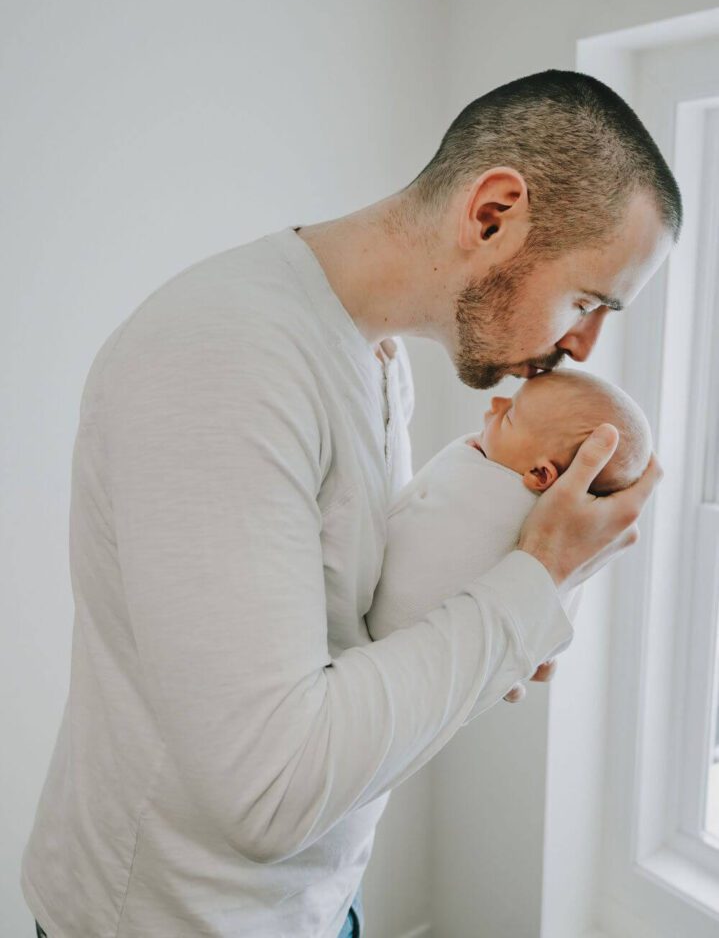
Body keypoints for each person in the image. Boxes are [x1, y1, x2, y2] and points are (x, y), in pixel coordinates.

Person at [20, 70, 680, 938]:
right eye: (588, 299)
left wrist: (494, 642)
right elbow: (267, 793)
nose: (582, 344)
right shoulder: (224, 355)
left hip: (311, 908)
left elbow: (345, 644)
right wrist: (534, 582)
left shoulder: (373, 359)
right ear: (493, 213)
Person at [365, 369, 651, 711]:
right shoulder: (567, 543)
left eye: (510, 415)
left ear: (541, 475)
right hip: (412, 673)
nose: (497, 403)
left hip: (391, 649)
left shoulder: (491, 492)